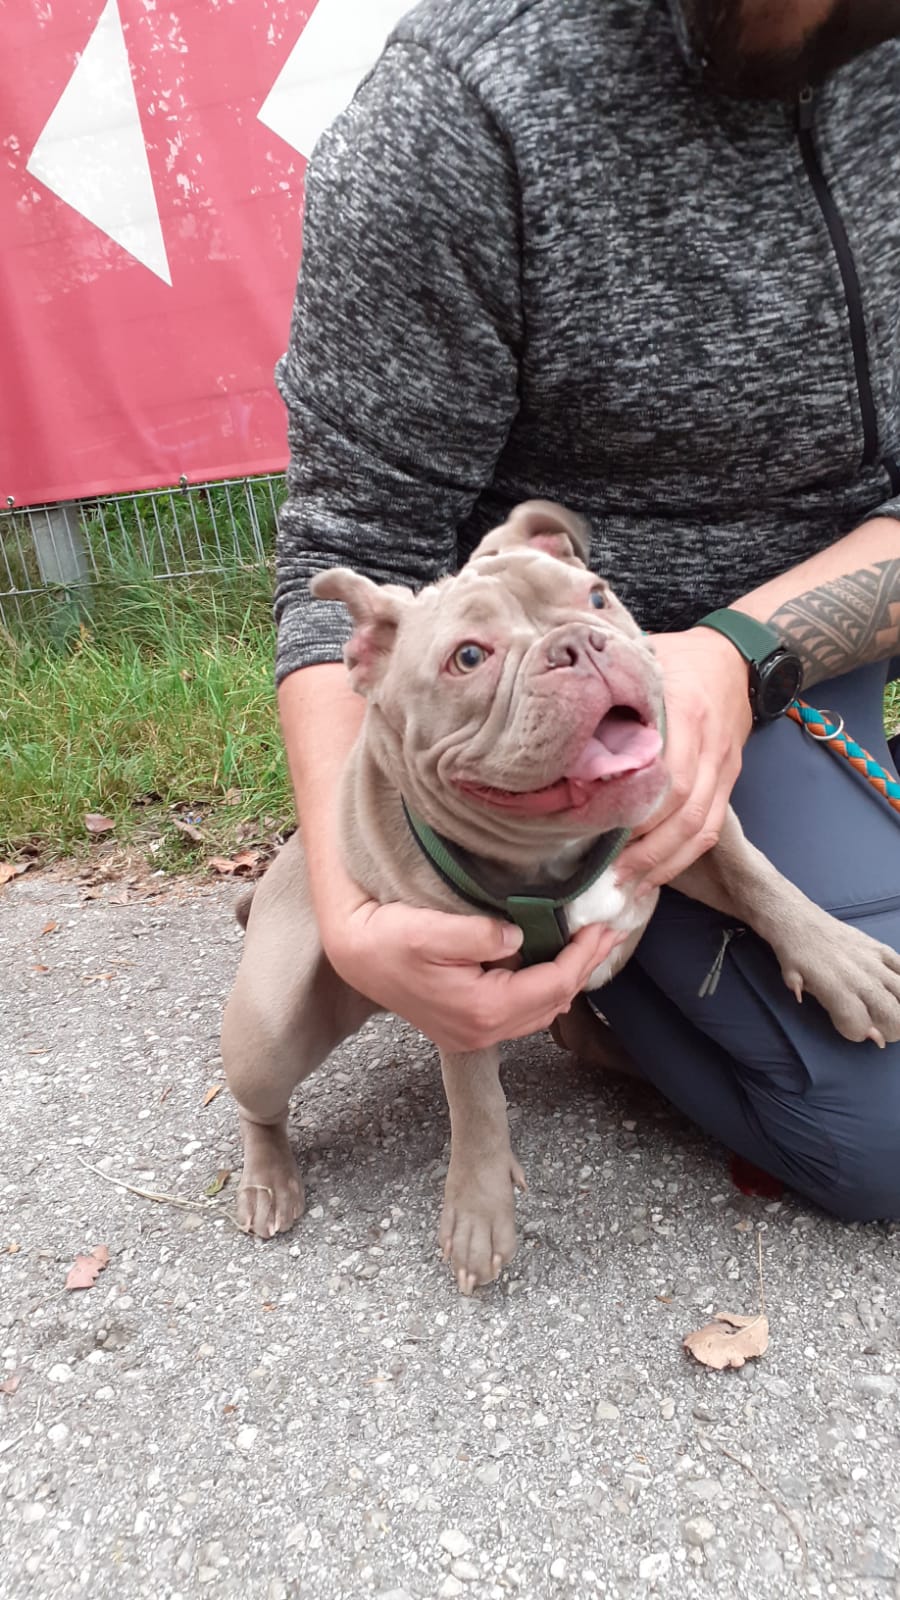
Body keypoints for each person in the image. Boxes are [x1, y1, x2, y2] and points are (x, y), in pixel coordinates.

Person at [271, 0, 900, 1220]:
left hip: (808, 648)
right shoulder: (459, 110)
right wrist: (356, 906)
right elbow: (349, 545)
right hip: (568, 726)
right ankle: (565, 940)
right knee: (883, 1123)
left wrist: (743, 654)